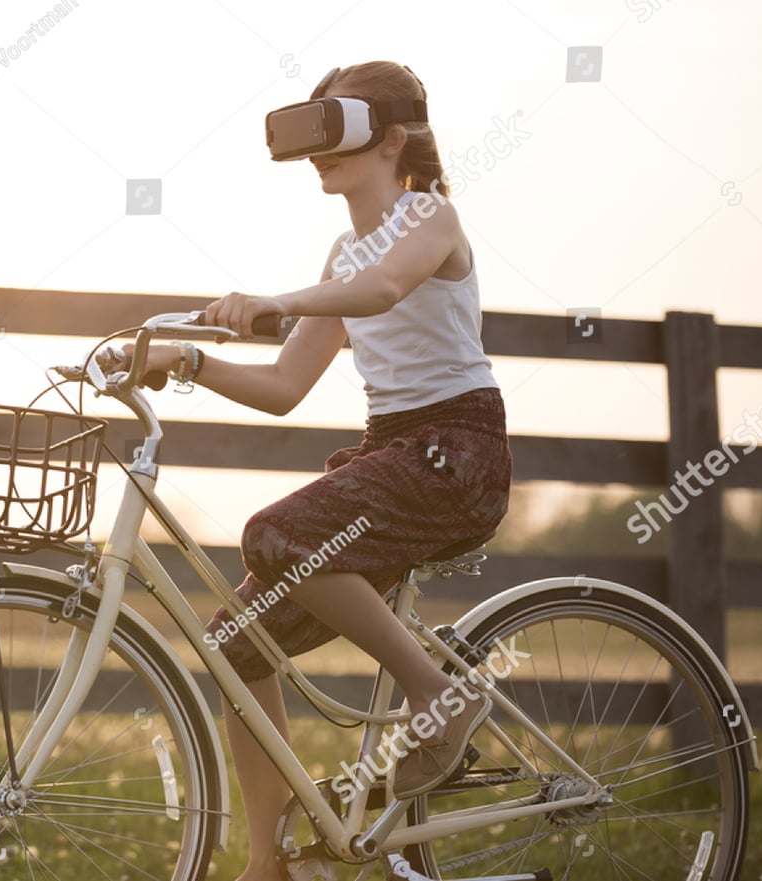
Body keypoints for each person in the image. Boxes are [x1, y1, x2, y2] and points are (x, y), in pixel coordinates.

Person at [134, 61, 513, 880]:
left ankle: (440, 695)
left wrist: (277, 301)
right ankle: (267, 862)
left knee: (276, 532)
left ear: (394, 139)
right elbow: (281, 386)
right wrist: (192, 359)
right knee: (236, 641)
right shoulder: (342, 250)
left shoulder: (430, 217)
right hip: (393, 455)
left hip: (457, 453)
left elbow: (380, 290)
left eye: (333, 130)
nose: (316, 154)